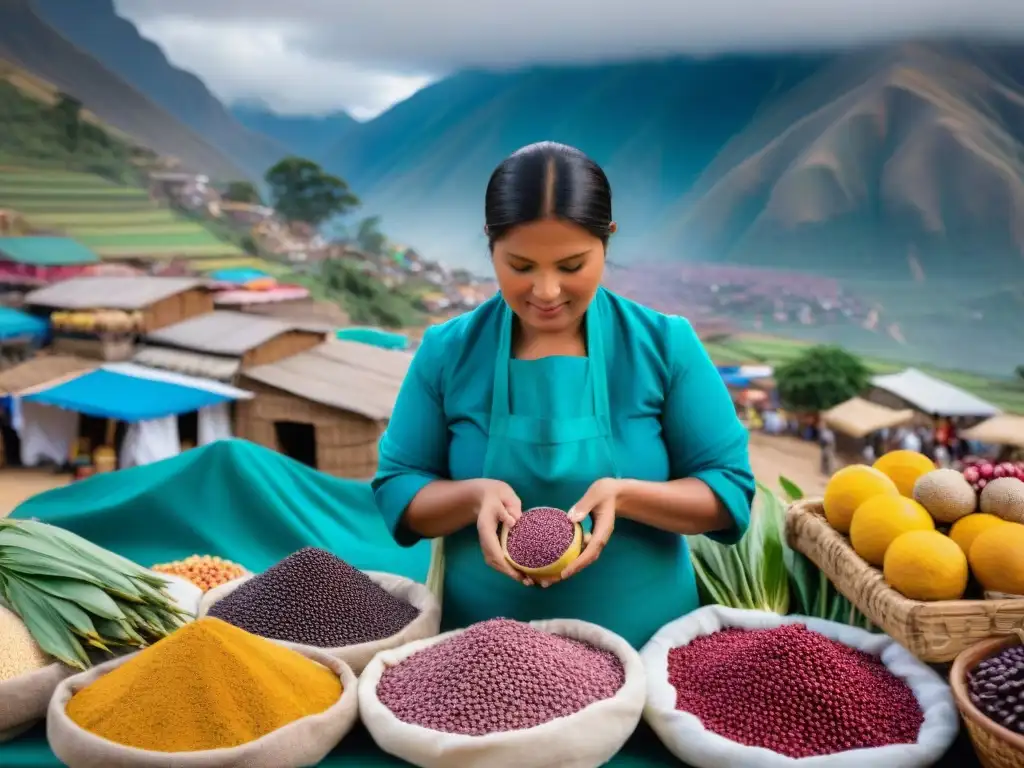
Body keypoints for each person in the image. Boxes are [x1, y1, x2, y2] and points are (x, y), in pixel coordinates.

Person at [372, 142, 755, 648]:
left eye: (572, 265)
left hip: (650, 650)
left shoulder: (665, 345)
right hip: (480, 655)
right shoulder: (447, 351)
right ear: (490, 245)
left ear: (607, 242)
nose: (547, 291)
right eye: (521, 266)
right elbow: (399, 486)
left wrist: (626, 495)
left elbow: (728, 492)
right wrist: (472, 497)